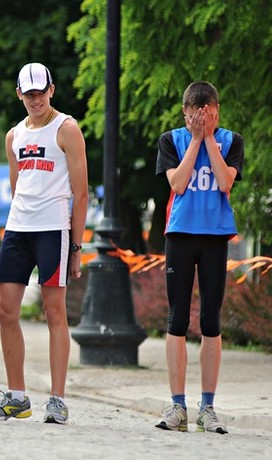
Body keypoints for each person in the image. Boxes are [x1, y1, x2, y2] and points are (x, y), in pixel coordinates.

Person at [0, 63, 88, 424]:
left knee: (54, 312)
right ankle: (17, 397)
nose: (36, 99)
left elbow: (81, 193)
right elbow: (16, 186)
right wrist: (17, 222)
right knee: (5, 310)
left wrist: (76, 247)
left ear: (52, 90)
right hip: (18, 228)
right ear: (19, 94)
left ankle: (57, 399)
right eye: (29, 93)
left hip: (53, 230)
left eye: (41, 91)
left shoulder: (66, 129)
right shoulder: (14, 136)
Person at [154, 81, 243, 435]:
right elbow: (176, 184)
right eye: (196, 116)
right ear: (186, 113)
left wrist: (208, 140)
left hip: (214, 235)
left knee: (210, 319)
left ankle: (208, 406)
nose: (203, 121)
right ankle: (178, 405)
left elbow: (224, 182)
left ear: (217, 112)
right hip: (180, 234)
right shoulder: (171, 139)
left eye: (209, 117)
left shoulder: (231, 141)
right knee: (176, 318)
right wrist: (194, 140)